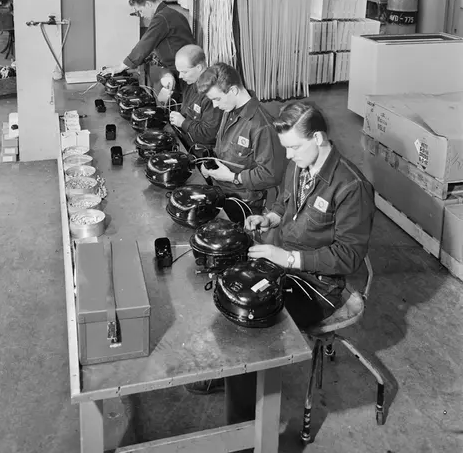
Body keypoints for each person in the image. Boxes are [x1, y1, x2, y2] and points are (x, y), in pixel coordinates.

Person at [190, 103, 376, 418]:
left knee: (253, 322)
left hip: (319, 284)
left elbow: (349, 257)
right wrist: (270, 218)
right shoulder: (299, 165)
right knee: (228, 282)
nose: (288, 156)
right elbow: (283, 203)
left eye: (293, 147)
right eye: (285, 148)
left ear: (318, 138)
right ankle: (233, 371)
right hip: (283, 265)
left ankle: (246, 425)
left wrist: (288, 258)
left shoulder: (351, 187)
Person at [194, 62, 286, 221]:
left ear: (233, 90)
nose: (215, 105)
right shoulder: (229, 110)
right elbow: (225, 149)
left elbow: (271, 175)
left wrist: (233, 177)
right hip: (221, 192)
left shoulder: (262, 126)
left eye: (217, 99)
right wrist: (210, 164)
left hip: (243, 203)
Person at [101, 0, 195, 91]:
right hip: (184, 68)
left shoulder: (161, 18)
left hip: (179, 73)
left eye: (140, 11)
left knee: (168, 98)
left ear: (148, 4)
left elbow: (145, 45)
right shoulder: (172, 13)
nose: (141, 15)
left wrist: (120, 67)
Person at [160, 44, 223, 148]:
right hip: (185, 138)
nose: (180, 76)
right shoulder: (190, 80)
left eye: (184, 72)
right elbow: (166, 69)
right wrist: (168, 76)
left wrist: (183, 122)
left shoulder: (212, 94)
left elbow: (208, 135)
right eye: (179, 71)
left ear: (199, 67)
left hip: (200, 148)